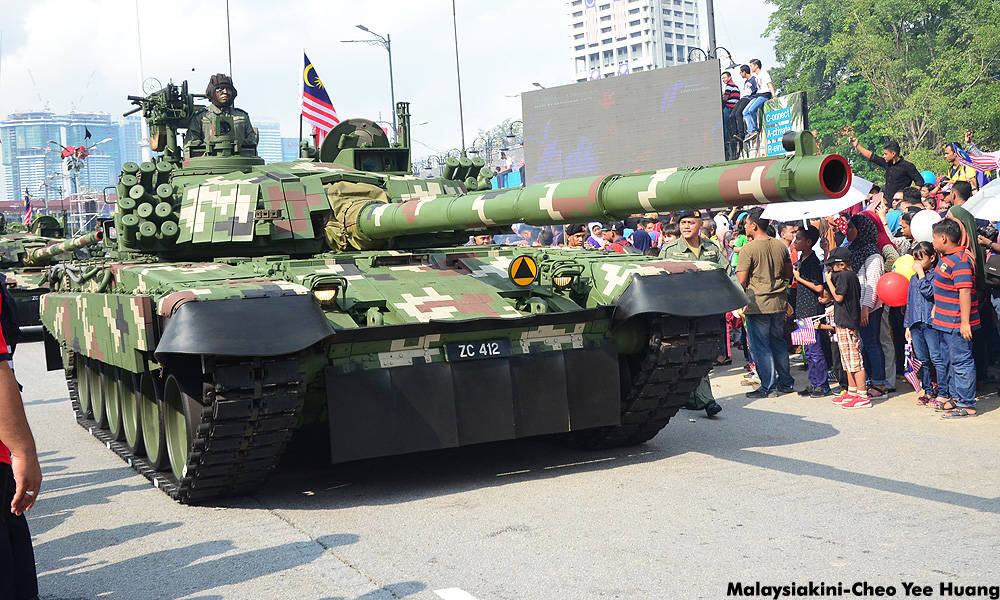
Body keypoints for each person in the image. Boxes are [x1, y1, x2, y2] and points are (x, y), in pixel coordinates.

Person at [660, 211, 729, 416]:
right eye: (683, 222)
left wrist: (739, 299)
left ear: (701, 224)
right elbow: (657, 278)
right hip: (678, 310)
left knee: (700, 353)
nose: (686, 226)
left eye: (691, 222)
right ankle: (699, 398)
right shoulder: (669, 250)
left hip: (706, 309)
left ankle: (700, 398)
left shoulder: (711, 248)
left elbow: (725, 273)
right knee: (684, 353)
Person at [736, 208, 795, 398]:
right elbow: (788, 274)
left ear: (753, 225)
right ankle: (786, 383)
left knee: (761, 345)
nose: (745, 226)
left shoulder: (748, 248)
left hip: (758, 304)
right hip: (779, 302)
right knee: (778, 342)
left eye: (746, 223)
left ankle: (768, 386)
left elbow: (741, 280)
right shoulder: (780, 246)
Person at [926, 218, 980, 417]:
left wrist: (965, 322)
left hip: (957, 322)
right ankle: (956, 398)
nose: (932, 242)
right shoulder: (946, 258)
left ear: (943, 238)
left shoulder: (960, 261)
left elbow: (964, 291)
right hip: (944, 320)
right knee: (949, 360)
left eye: (934, 238)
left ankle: (967, 404)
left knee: (961, 361)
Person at [846, 213, 889, 398]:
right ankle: (869, 380)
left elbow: (872, 283)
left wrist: (865, 308)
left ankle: (880, 383)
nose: (847, 231)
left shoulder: (873, 255)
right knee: (862, 344)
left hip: (870, 307)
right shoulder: (853, 250)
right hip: (857, 306)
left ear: (861, 230)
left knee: (871, 343)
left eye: (851, 228)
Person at [823, 247, 870, 408]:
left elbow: (838, 296)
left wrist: (828, 280)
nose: (830, 269)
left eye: (832, 266)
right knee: (847, 361)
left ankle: (862, 395)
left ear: (842, 265)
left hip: (847, 322)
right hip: (845, 321)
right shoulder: (850, 275)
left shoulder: (844, 276)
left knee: (854, 361)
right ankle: (852, 392)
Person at [792, 226, 831, 397]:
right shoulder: (802, 258)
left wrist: (799, 278)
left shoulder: (814, 261)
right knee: (808, 350)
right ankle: (814, 382)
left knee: (815, 350)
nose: (795, 242)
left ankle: (822, 384)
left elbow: (818, 286)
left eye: (799, 238)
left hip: (811, 310)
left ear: (808, 242)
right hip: (802, 309)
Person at [907, 242, 945, 406]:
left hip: (931, 323)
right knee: (921, 359)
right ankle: (928, 390)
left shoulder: (935, 275)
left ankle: (943, 391)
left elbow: (929, 293)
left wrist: (922, 274)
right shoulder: (912, 278)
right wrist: (907, 325)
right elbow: (909, 303)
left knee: (936, 357)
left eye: (920, 259)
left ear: (932, 257)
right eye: (915, 259)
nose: (916, 263)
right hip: (916, 322)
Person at [185, 73, 258, 156]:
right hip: (208, 165)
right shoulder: (201, 117)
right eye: (220, 89)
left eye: (228, 89)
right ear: (213, 91)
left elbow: (251, 143)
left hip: (239, 163)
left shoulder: (242, 116)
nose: (225, 92)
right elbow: (189, 146)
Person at [848, 139, 924, 201]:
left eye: (886, 154)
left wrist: (909, 196)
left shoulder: (907, 166)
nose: (884, 156)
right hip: (887, 201)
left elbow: (920, 181)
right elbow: (871, 156)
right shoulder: (887, 163)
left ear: (893, 154)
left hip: (900, 202)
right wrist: (857, 145)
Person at [742, 59, 776, 142]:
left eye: (751, 66)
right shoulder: (756, 77)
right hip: (758, 95)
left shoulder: (763, 74)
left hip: (764, 94)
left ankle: (755, 128)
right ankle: (750, 131)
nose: (751, 68)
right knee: (745, 112)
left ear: (756, 65)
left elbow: (769, 84)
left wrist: (774, 95)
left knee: (751, 109)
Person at [721, 71, 741, 160]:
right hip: (734, 108)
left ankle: (725, 141)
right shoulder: (736, 87)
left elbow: (726, 98)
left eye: (724, 78)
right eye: (722, 78)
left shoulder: (729, 86)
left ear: (729, 77)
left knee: (723, 124)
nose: (723, 80)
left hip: (729, 107)